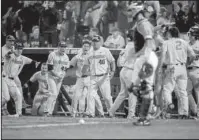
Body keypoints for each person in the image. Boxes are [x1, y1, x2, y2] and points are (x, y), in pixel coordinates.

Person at [158, 26, 197, 119]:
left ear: (170, 34)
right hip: (182, 67)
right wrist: (187, 64)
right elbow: (193, 55)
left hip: (171, 67)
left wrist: (160, 67)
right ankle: (184, 113)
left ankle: (170, 103)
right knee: (183, 91)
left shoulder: (166, 42)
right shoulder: (184, 42)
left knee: (167, 89)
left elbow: (163, 56)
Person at [2, 40, 40, 117]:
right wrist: (11, 52)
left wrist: (36, 62)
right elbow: (6, 56)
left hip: (11, 80)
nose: (19, 50)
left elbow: (33, 61)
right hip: (3, 78)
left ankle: (19, 114)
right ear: (14, 48)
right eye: (18, 48)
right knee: (6, 98)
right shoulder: (10, 55)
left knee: (18, 96)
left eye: (21, 48)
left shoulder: (23, 58)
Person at [82, 35, 116, 117]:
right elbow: (85, 66)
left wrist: (113, 71)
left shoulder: (105, 50)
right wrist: (85, 72)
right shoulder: (89, 53)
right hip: (93, 77)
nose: (94, 43)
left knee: (107, 97)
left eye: (96, 41)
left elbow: (112, 61)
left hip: (103, 76)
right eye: (93, 41)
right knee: (90, 95)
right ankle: (91, 113)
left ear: (100, 42)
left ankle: (111, 112)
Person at [109, 30, 138, 119]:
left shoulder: (128, 45)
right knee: (132, 93)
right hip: (130, 71)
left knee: (123, 94)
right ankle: (131, 114)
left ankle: (111, 111)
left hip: (124, 70)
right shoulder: (134, 46)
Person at [70, 36, 92, 117]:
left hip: (89, 78)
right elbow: (71, 63)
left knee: (88, 96)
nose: (86, 47)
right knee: (76, 96)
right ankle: (73, 113)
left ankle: (86, 113)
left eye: (87, 46)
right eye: (84, 46)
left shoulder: (92, 55)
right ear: (82, 46)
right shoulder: (79, 55)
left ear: (90, 47)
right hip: (80, 78)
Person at [46, 41, 70, 116]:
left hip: (59, 78)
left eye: (64, 47)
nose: (63, 48)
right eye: (61, 47)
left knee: (55, 95)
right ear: (58, 47)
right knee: (53, 93)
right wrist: (58, 75)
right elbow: (49, 68)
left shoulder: (66, 57)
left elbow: (65, 69)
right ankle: (47, 111)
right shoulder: (52, 54)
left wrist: (62, 76)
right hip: (51, 77)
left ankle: (49, 112)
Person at [186, 26, 199, 118]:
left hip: (196, 69)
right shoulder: (187, 44)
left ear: (195, 35)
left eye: (191, 34)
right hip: (187, 69)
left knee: (198, 91)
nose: (189, 35)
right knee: (186, 92)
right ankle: (194, 110)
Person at [1, 35, 15, 116]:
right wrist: (6, 56)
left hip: (8, 75)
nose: (11, 42)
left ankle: (4, 110)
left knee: (6, 96)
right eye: (10, 41)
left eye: (12, 41)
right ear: (6, 41)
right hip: (2, 75)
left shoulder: (13, 49)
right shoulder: (2, 49)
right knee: (6, 97)